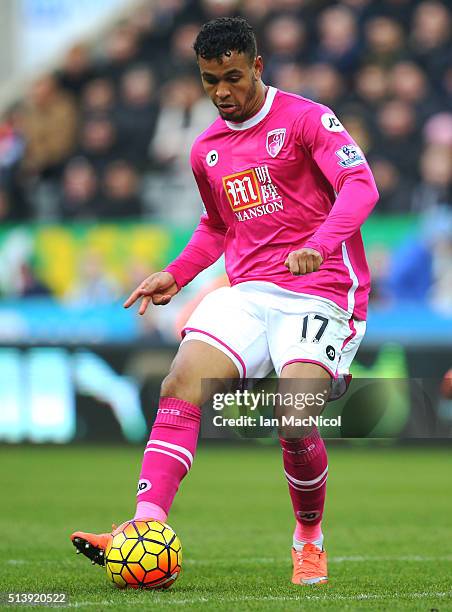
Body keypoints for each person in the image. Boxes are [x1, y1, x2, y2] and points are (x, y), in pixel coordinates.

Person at [71, 17, 379, 586]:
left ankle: (309, 536)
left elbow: (362, 187)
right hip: (248, 292)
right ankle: (143, 526)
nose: (222, 93)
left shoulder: (308, 120)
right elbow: (216, 227)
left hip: (322, 292)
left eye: (233, 78)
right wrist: (178, 273)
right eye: (211, 80)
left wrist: (319, 244)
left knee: (294, 419)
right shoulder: (206, 148)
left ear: (258, 68)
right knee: (180, 382)